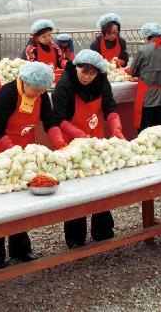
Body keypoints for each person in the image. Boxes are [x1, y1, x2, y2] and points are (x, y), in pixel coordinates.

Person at [0, 62, 56, 270]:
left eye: (42, 90)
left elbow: (49, 122)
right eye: (35, 89)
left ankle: (21, 247)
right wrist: (12, 152)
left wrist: (59, 142)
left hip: (23, 151)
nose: (38, 94)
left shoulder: (41, 96)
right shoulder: (7, 94)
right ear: (24, 82)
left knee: (21, 200)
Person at [52, 50, 125, 248]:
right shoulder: (65, 86)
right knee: (76, 189)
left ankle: (103, 229)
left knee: (101, 184)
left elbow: (110, 108)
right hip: (70, 142)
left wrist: (116, 127)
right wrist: (80, 136)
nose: (87, 77)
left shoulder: (102, 81)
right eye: (83, 72)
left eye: (91, 74)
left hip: (95, 138)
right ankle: (75, 237)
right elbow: (58, 118)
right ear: (76, 67)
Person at [129, 23, 161, 129]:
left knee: (145, 133)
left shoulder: (144, 50)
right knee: (160, 132)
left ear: (147, 36)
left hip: (147, 99)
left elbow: (133, 71)